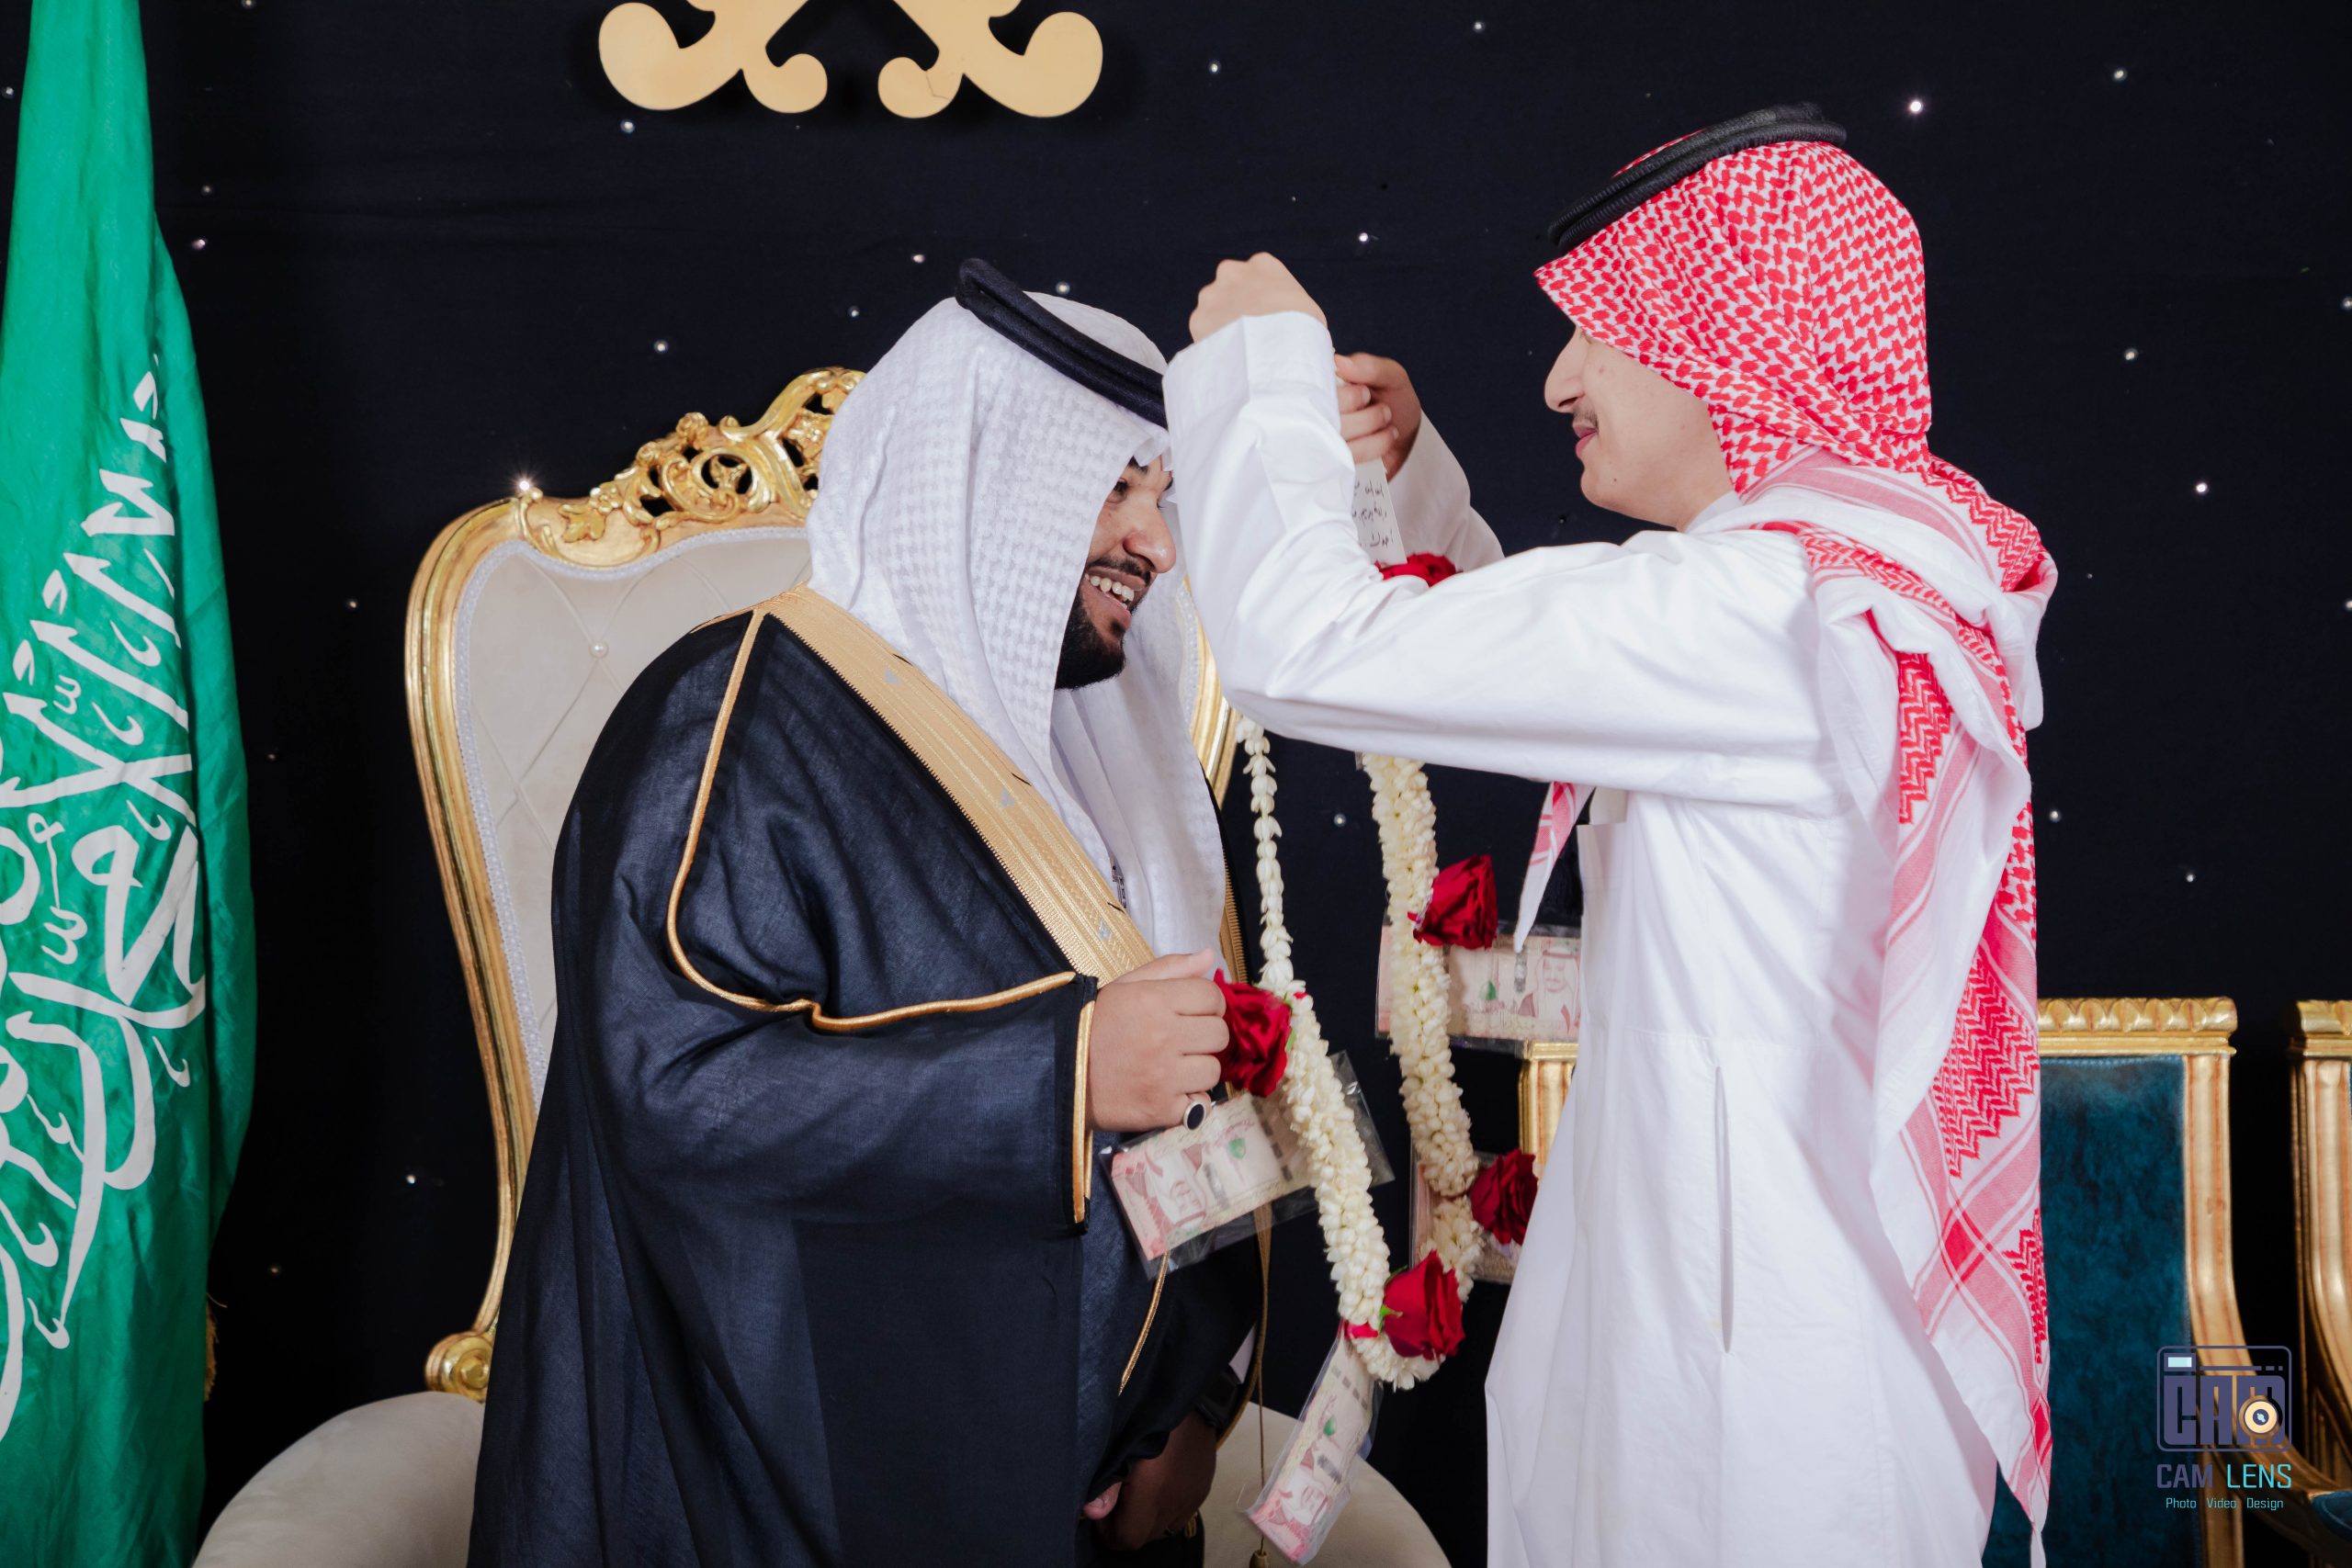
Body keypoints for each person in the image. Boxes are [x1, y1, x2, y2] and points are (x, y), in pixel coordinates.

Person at [1165, 107, 2055, 1566]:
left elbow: (1305, 649)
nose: (1560, 378)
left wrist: (1259, 369)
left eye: (1601, 331)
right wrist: (1407, 477)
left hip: (1745, 1385)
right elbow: (1570, 670)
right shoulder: (1827, 588)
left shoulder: (1765, 615)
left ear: (1732, 343)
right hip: (1756, 1321)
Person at [469, 262, 1262, 1567]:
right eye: (1117, 486)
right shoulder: (726, 720)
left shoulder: (1098, 760)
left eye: (1162, 496)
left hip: (1086, 1493)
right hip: (780, 1488)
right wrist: (1058, 1077)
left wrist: (1192, 1415)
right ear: (988, 479)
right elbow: (680, 1091)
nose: (1157, 545)